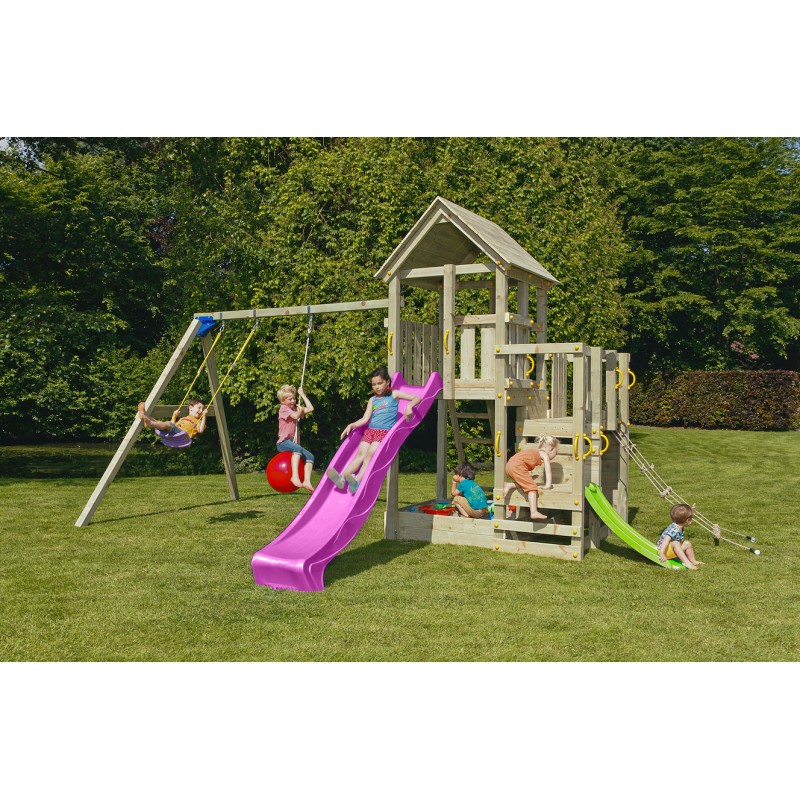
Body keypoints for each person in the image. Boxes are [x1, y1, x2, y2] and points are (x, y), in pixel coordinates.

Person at [327, 367, 420, 494]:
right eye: (374, 384)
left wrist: (409, 407)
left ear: (387, 382)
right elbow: (365, 418)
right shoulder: (372, 400)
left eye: (379, 383)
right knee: (360, 455)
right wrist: (352, 425)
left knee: (369, 455)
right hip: (370, 431)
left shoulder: (394, 394)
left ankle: (357, 481)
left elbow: (417, 398)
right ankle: (342, 478)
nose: (376, 387)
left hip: (384, 433)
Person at [502, 434, 558, 521]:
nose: (556, 455)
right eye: (556, 452)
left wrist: (530, 478)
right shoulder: (544, 455)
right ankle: (534, 512)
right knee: (532, 488)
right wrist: (548, 485)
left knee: (526, 483)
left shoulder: (534, 452)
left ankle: (509, 485)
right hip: (517, 466)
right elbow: (548, 470)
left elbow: (521, 462)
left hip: (509, 465)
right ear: (551, 449)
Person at [276, 384, 315, 492]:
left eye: (294, 398)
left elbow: (311, 408)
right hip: (283, 443)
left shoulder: (295, 409)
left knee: (310, 456)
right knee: (298, 448)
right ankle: (295, 476)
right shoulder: (284, 409)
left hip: (292, 443)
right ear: (283, 401)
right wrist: (300, 410)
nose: (293, 401)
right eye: (290, 399)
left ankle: (306, 481)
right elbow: (295, 416)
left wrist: (302, 395)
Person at [138, 399, 207, 446]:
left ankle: (149, 422)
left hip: (182, 435)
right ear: (191, 408)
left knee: (167, 423)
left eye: (203, 409)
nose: (201, 411)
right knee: (158, 422)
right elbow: (173, 425)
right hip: (173, 432)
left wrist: (204, 416)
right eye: (199, 408)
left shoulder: (199, 421)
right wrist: (174, 416)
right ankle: (144, 416)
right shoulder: (183, 418)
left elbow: (200, 430)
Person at [657, 503, 701, 570]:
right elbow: (666, 539)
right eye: (691, 519)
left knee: (687, 543)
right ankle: (685, 562)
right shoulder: (674, 529)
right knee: (675, 543)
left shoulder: (679, 526)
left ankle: (693, 561)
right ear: (687, 520)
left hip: (671, 550)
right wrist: (662, 553)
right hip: (665, 551)